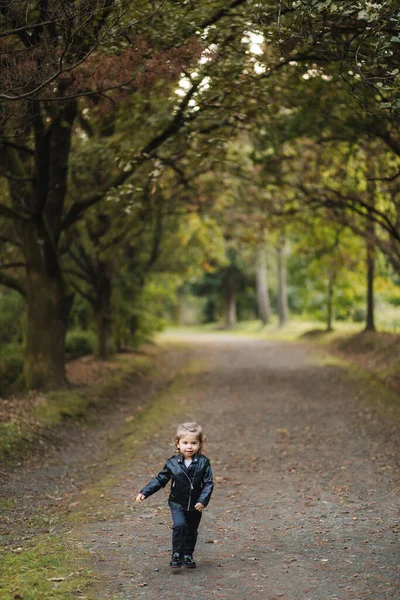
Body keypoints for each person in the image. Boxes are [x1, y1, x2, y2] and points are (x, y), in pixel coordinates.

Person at [135, 422, 213, 570]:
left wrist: (203, 500)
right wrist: (145, 492)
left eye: (193, 443)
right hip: (177, 503)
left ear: (200, 444)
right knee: (179, 525)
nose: (189, 446)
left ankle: (188, 555)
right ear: (177, 444)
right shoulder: (172, 463)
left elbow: (208, 483)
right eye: (185, 443)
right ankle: (177, 554)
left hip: (196, 504)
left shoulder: (204, 463)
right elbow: (160, 479)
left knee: (191, 530)